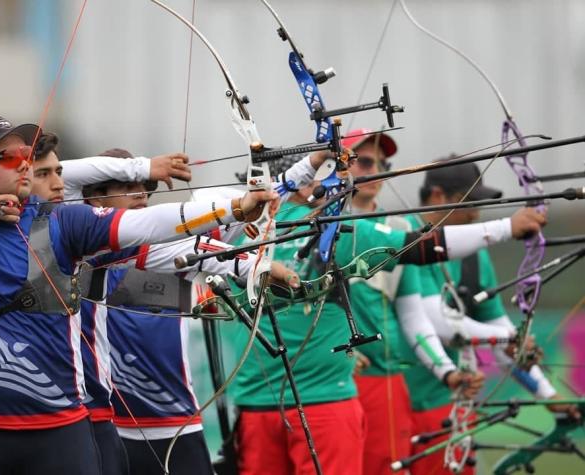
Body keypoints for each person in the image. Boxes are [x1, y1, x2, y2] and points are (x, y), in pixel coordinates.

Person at [0, 114, 278, 475]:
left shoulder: (65, 221)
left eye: (26, 156)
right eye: (10, 158)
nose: (25, 165)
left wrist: (236, 209)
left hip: (59, 428)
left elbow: (150, 225)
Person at [229, 133, 545, 475]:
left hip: (284, 400)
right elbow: (423, 247)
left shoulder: (240, 235)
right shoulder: (331, 229)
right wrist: (506, 227)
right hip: (310, 400)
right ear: (308, 183)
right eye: (352, 163)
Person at [80, 149, 311, 475]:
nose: (142, 195)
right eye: (127, 186)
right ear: (93, 197)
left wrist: (310, 166)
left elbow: (255, 211)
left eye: (146, 187)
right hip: (106, 423)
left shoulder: (166, 236)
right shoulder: (80, 248)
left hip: (175, 423)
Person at [401, 159, 580, 475]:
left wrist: (547, 394)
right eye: (469, 203)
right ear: (438, 196)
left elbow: (500, 333)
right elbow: (437, 324)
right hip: (392, 401)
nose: (476, 213)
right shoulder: (401, 237)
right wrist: (511, 338)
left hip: (447, 404)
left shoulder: (473, 253)